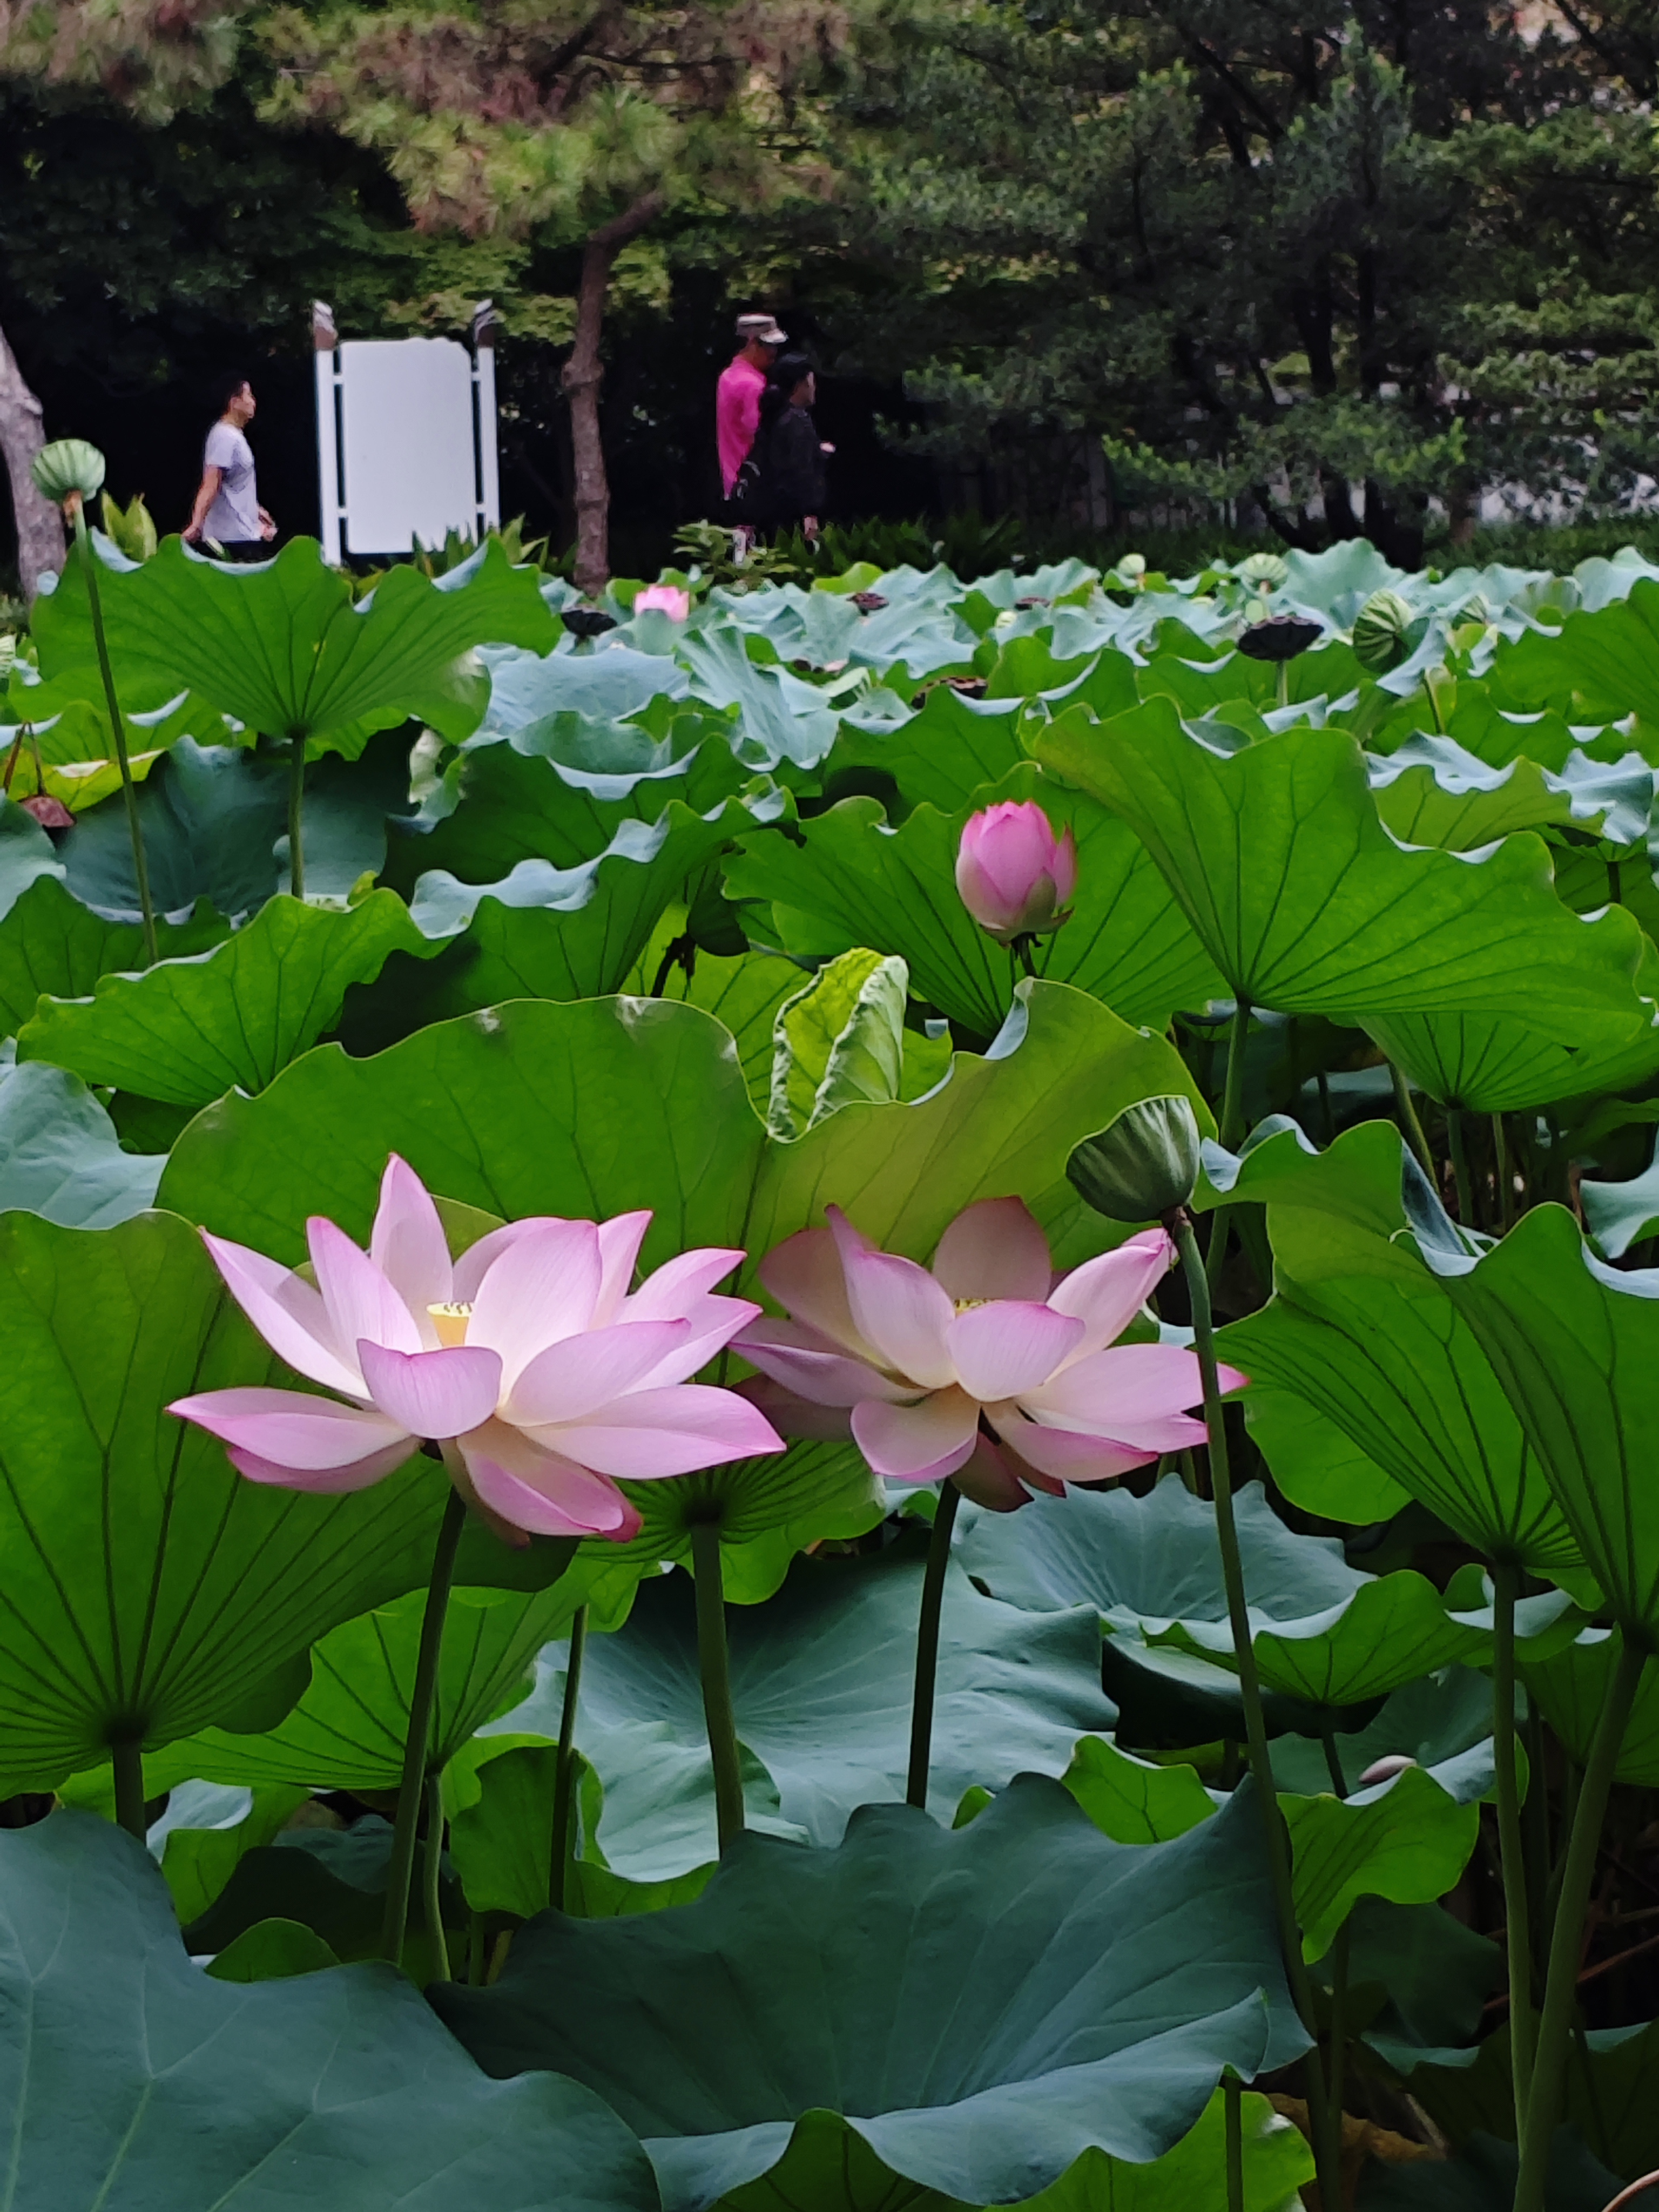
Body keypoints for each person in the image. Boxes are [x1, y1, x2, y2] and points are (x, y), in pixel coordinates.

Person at [184, 374, 275, 557]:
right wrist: (196, 525)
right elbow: (212, 483)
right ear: (235, 402)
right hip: (230, 540)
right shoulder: (224, 437)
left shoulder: (235, 436)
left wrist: (254, 510)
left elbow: (233, 485)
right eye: (249, 395)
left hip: (244, 536)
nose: (253, 402)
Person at [754, 352, 830, 538]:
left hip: (773, 508)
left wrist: (816, 449)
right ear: (800, 384)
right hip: (794, 514)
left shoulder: (776, 417)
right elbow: (801, 469)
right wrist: (809, 512)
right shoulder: (798, 420)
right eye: (811, 382)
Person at [716, 312, 785, 506]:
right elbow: (758, 434)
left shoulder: (727, 377)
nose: (774, 352)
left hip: (733, 483)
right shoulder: (752, 385)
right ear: (752, 343)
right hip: (754, 486)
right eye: (769, 346)